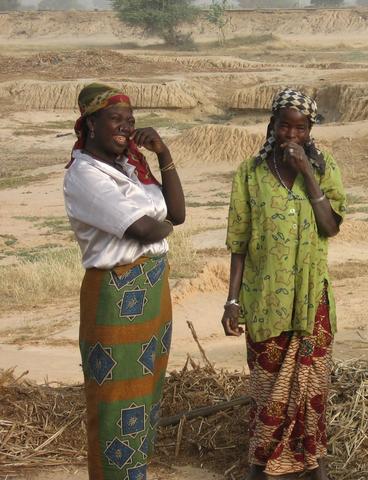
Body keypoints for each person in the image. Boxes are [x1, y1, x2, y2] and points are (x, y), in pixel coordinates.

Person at [221, 88, 346, 480]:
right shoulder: (250, 173)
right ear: (271, 126)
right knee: (267, 387)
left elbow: (331, 226)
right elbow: (239, 242)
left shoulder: (325, 169)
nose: (292, 134)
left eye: (301, 127)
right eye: (285, 125)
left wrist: (308, 173)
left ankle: (313, 462)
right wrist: (231, 301)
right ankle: (262, 463)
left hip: (311, 299)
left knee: (312, 387)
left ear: (310, 130)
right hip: (264, 301)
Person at [63, 83, 185, 479]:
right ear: (91, 124)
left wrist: (163, 153)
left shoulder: (132, 169)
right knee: (114, 402)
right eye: (116, 119)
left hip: (151, 292)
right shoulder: (84, 175)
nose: (126, 127)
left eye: (130, 120)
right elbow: (144, 231)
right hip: (115, 296)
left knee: (146, 397)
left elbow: (176, 216)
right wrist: (160, 227)